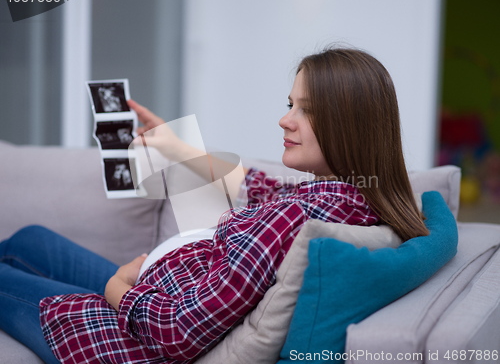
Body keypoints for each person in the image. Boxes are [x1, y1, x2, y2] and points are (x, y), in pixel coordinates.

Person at [0, 47, 428, 364]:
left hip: (126, 334)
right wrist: (178, 147)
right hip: (157, 288)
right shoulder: (350, 196)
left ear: (350, 126)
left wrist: (119, 291)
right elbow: (264, 189)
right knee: (31, 239)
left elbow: (181, 332)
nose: (285, 119)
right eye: (290, 104)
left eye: (307, 110)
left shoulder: (296, 215)